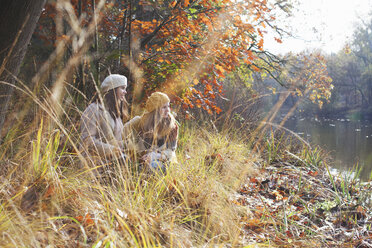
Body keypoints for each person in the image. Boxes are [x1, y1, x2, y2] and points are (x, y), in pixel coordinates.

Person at [123, 92, 179, 172]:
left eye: (168, 106)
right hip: (140, 161)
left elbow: (171, 151)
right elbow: (123, 133)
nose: (168, 110)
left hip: (163, 161)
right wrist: (134, 150)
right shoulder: (139, 122)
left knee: (153, 165)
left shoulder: (172, 126)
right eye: (164, 107)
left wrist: (154, 155)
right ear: (154, 110)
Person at [80, 74, 129, 163]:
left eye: (125, 88)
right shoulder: (93, 109)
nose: (125, 92)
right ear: (112, 89)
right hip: (95, 166)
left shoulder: (115, 113)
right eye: (122, 88)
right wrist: (111, 150)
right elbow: (87, 141)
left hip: (114, 164)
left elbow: (118, 141)